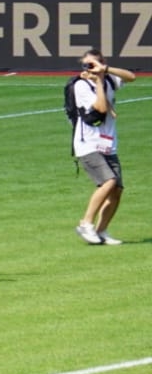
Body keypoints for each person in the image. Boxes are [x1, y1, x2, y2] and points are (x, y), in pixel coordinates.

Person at [71, 48, 135, 246]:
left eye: (93, 64)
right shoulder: (81, 85)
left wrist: (105, 71)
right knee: (109, 181)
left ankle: (101, 231)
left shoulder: (109, 79)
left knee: (117, 190)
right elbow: (100, 107)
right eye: (86, 65)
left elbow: (131, 77)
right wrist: (98, 81)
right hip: (88, 144)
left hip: (108, 143)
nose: (89, 68)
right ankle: (85, 223)